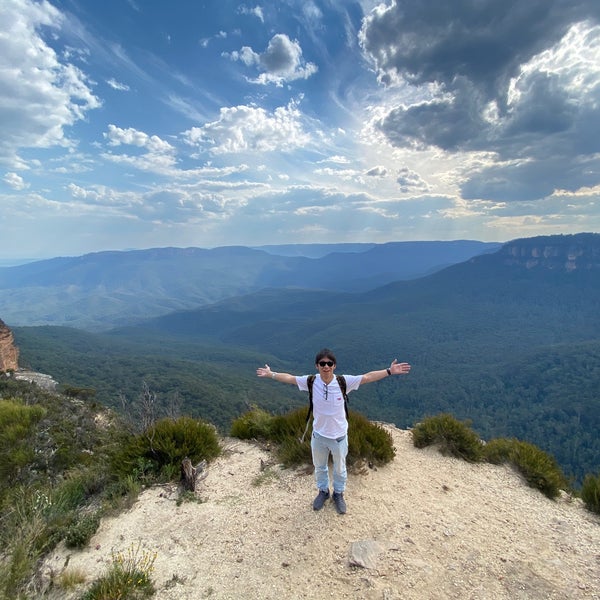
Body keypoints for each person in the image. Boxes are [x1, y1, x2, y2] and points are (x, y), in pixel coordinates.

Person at [256, 348, 411, 514]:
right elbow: (290, 378)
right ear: (317, 366)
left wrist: (389, 371)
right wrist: (271, 374)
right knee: (320, 466)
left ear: (334, 366)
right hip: (319, 436)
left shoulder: (343, 382)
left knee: (339, 468)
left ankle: (338, 494)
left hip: (338, 437)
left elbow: (367, 377)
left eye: (329, 363)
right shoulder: (311, 381)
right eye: (322, 363)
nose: (326, 366)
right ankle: (323, 492)